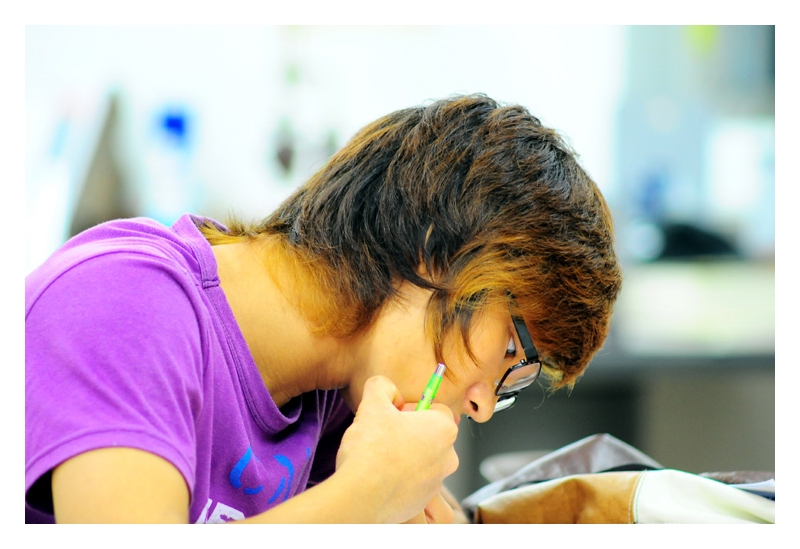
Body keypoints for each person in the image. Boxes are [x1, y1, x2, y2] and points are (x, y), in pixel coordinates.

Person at [25, 94, 622, 523]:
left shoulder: (344, 407)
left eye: (513, 381)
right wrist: (368, 495)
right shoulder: (121, 302)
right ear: (438, 246)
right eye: (511, 349)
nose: (483, 406)